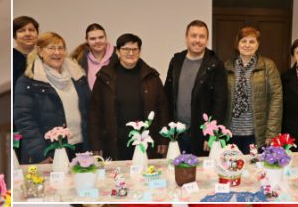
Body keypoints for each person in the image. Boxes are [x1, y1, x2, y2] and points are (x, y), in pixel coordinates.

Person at [14, 32, 89, 163]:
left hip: (81, 148)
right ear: (40, 51)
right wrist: (40, 153)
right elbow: (24, 120)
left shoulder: (78, 77)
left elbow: (89, 111)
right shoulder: (28, 81)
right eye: (51, 48)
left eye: (60, 48)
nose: (57, 52)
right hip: (50, 151)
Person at [90, 33, 168, 160]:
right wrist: (95, 145)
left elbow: (163, 110)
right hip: (114, 142)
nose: (130, 53)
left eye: (134, 49)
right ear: (118, 52)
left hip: (146, 142)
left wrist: (163, 139)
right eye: (126, 49)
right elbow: (95, 113)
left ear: (139, 51)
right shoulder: (104, 78)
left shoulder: (152, 77)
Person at [164, 20, 228, 155]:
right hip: (177, 133)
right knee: (175, 172)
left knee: (201, 174)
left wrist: (211, 135)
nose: (197, 40)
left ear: (207, 39)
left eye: (202, 36)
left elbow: (220, 103)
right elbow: (168, 95)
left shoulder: (215, 64)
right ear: (186, 38)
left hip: (201, 135)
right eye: (194, 36)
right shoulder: (176, 61)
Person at [225, 26, 282, 153]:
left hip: (256, 134)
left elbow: (276, 98)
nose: (247, 45)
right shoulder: (227, 66)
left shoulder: (268, 66)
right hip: (230, 133)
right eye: (243, 41)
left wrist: (272, 133)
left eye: (252, 41)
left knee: (254, 170)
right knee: (232, 169)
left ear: (258, 45)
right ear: (237, 44)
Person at [75, 23, 115, 90]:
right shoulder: (78, 60)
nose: (97, 41)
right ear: (87, 40)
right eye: (93, 39)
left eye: (101, 37)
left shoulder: (119, 56)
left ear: (106, 37)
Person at [13, 16, 39, 88]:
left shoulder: (45, 56)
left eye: (31, 30)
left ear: (37, 33)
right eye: (21, 31)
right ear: (14, 36)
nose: (27, 34)